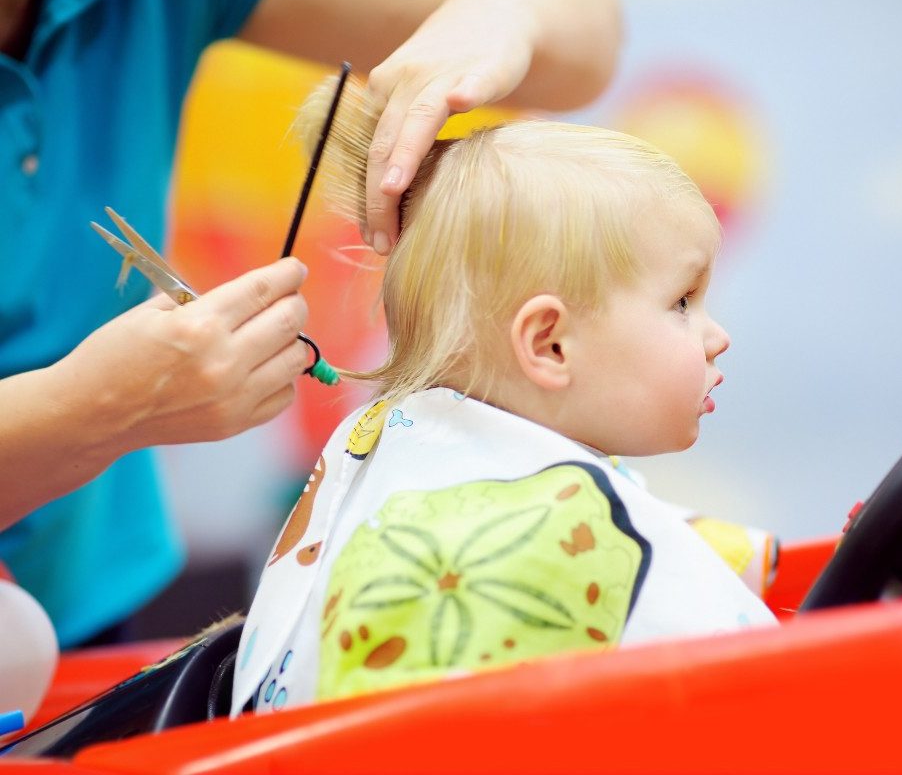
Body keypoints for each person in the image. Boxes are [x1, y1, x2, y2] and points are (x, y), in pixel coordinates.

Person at [0, 0, 622, 647]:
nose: (714, 341)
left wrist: (497, 12)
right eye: (678, 301)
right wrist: (93, 410)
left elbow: (580, 17)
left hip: (88, 600)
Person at [230, 81, 778, 715]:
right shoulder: (539, 527)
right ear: (549, 345)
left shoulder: (424, 457)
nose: (718, 337)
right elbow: (763, 696)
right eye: (682, 302)